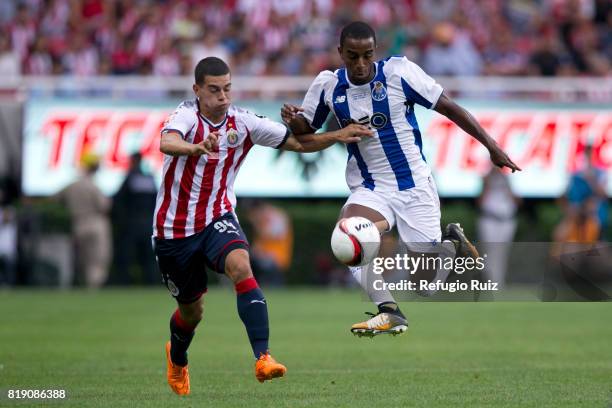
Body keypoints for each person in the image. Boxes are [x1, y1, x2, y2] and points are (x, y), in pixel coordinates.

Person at [282, 21, 520, 337]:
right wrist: (295, 120)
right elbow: (305, 134)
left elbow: (448, 107)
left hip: (415, 187)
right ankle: (390, 312)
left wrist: (491, 146)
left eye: (367, 55)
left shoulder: (399, 72)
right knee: (348, 239)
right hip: (370, 187)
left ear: (375, 50)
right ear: (340, 53)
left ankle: (450, 244)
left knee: (425, 286)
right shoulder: (327, 85)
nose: (361, 64)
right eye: (353, 56)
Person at [153, 56, 372, 395]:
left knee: (241, 266)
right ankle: (177, 358)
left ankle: (263, 357)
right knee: (192, 312)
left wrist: (339, 134)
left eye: (227, 89)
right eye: (214, 90)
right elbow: (166, 142)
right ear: (197, 90)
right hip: (173, 231)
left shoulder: (243, 122)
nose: (223, 97)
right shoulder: (185, 116)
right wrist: (195, 148)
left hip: (217, 217)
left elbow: (299, 144)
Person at [56, 153, 112, 288]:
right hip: (96, 223)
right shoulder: (93, 185)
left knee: (83, 260)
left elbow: (56, 199)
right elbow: (105, 206)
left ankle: (83, 285)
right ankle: (93, 288)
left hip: (78, 223)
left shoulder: (71, 185)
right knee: (98, 259)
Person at [112, 153, 158, 285]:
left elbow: (118, 201)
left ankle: (125, 282)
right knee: (149, 257)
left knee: (126, 255)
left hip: (132, 224)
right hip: (149, 223)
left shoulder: (130, 178)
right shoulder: (150, 178)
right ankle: (151, 282)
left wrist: (121, 221)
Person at [477, 167, 521, 289]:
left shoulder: (509, 179)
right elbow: (480, 201)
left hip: (506, 220)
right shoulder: (486, 179)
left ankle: (499, 281)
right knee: (489, 251)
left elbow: (517, 201)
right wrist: (486, 183)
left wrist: (508, 184)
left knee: (502, 252)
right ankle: (489, 282)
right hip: (489, 219)